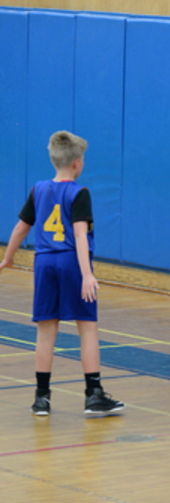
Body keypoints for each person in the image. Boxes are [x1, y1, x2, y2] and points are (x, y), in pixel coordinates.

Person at [0, 131, 125, 416]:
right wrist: (87, 275)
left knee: (45, 330)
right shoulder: (79, 192)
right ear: (77, 163)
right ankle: (93, 395)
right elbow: (80, 235)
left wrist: (8, 258)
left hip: (44, 263)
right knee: (87, 327)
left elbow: (21, 228)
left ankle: (41, 399)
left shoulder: (38, 189)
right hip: (71, 263)